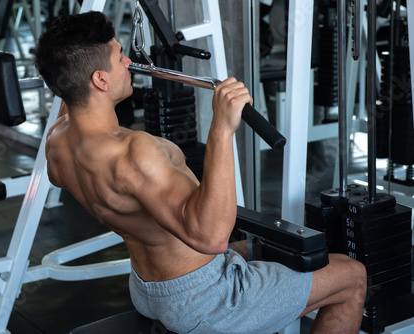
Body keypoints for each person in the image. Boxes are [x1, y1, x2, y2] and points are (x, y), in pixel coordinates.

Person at [34, 11, 367, 334]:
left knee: (270, 248)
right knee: (351, 276)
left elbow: (71, 91)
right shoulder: (134, 154)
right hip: (204, 301)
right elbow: (211, 238)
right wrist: (222, 127)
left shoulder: (58, 144)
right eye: (120, 56)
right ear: (100, 80)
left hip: (148, 287)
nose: (128, 62)